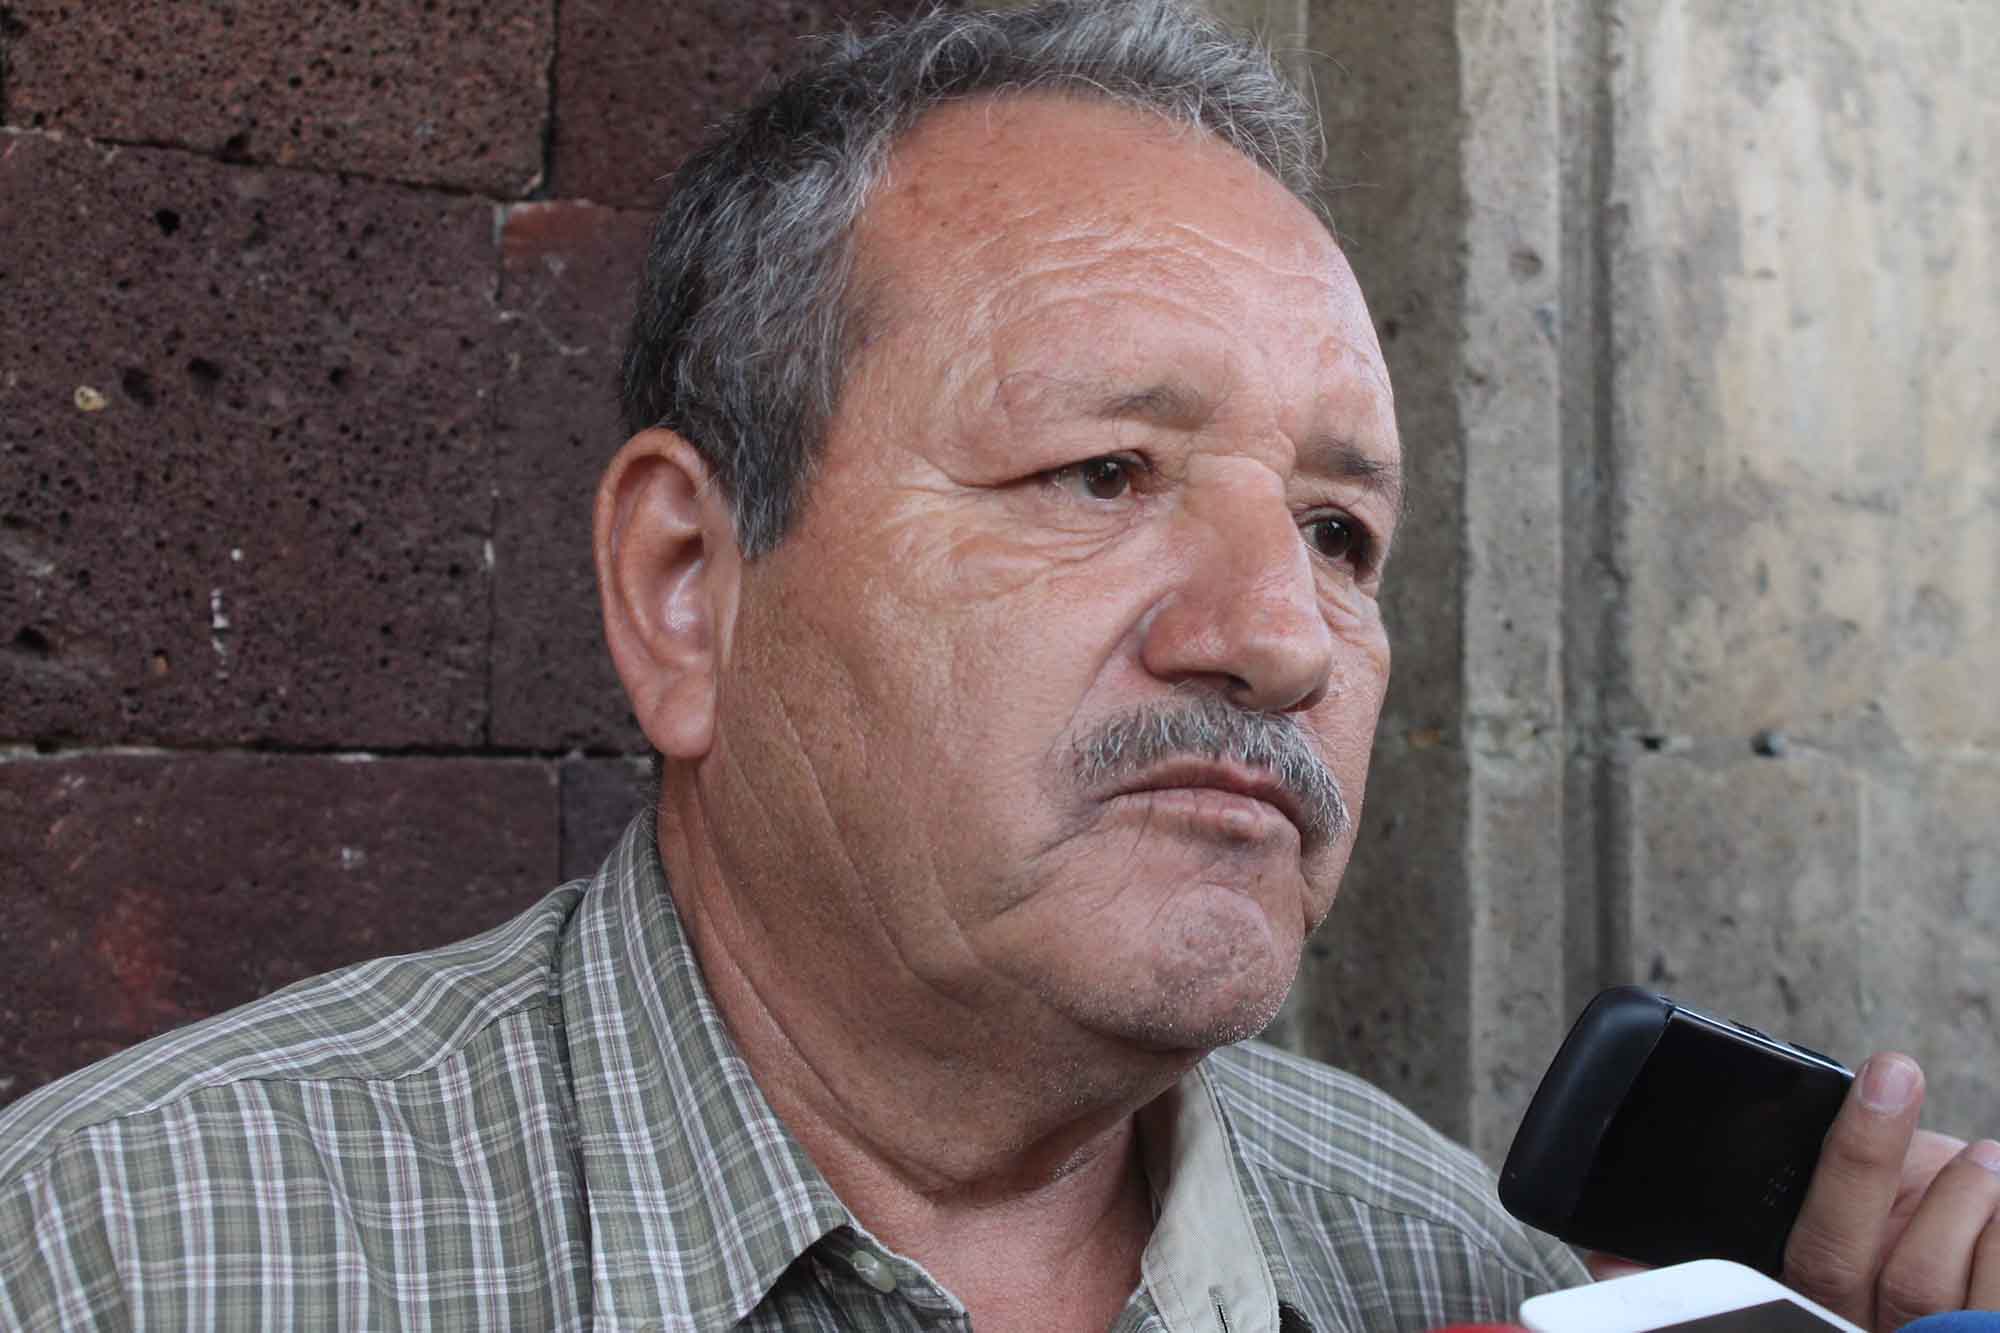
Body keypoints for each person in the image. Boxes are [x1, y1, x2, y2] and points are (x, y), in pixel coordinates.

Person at [2, 3, 1995, 1329]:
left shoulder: (1444, 1258)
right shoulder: (136, 1255)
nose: (1279, 637)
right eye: (1102, 472)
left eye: (1338, 530)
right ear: (688, 587)